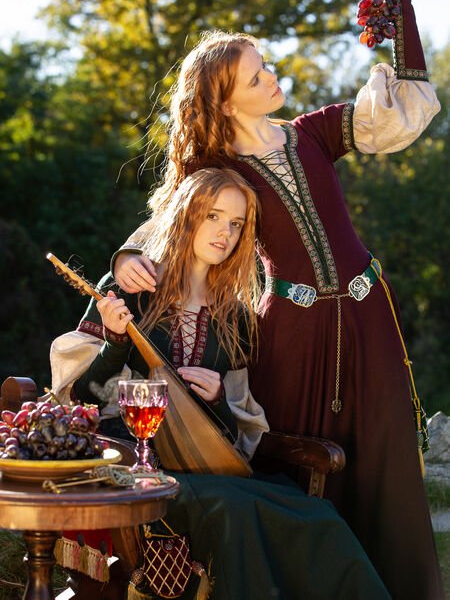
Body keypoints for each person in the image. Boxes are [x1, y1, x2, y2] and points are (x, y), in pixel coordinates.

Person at [110, 0, 443, 599]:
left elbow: (406, 108)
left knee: (385, 461)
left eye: (266, 66)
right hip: (289, 334)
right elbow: (167, 225)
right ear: (227, 101)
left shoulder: (314, 132)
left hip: (369, 316)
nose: (272, 77)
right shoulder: (215, 169)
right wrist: (126, 257)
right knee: (299, 462)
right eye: (257, 76)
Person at [51, 168, 390, 600]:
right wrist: (115, 344)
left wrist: (217, 402)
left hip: (206, 469)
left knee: (314, 513)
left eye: (236, 223)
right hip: (135, 470)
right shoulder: (130, 288)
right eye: (213, 216)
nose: (225, 232)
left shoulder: (235, 318)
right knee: (233, 507)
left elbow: (231, 443)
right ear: (186, 215)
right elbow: (84, 402)